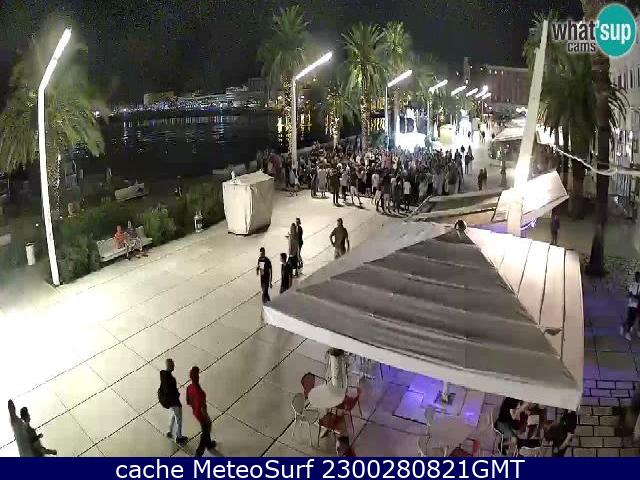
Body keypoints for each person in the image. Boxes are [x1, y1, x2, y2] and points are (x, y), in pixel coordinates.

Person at [186, 366, 216, 457]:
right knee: (205, 431)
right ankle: (199, 453)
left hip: (195, 412)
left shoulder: (189, 388)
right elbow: (203, 409)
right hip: (202, 415)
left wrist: (195, 406)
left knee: (205, 429)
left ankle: (209, 444)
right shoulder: (201, 393)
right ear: (197, 377)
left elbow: (188, 402)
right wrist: (207, 418)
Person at [158, 359, 188, 444]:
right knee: (178, 419)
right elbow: (172, 392)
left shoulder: (163, 375)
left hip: (168, 402)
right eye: (173, 365)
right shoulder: (171, 379)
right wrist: (177, 394)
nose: (174, 366)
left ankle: (170, 431)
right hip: (174, 402)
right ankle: (179, 437)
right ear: (170, 366)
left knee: (172, 416)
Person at [622, 271, 640, 341]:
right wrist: (634, 296)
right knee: (631, 319)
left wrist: (634, 296)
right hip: (632, 305)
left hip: (638, 305)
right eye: (637, 277)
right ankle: (627, 332)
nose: (638, 278)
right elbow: (629, 294)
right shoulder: (632, 285)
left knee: (637, 319)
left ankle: (638, 331)